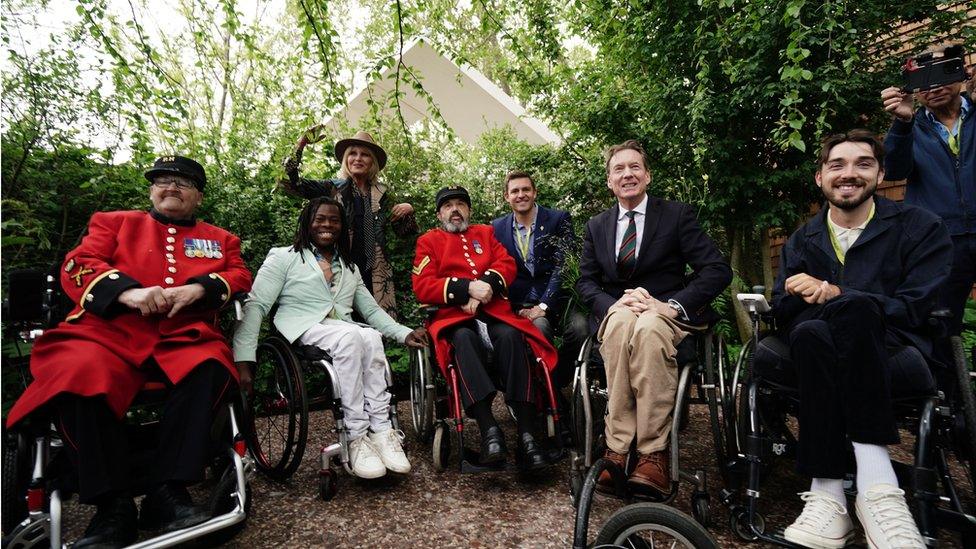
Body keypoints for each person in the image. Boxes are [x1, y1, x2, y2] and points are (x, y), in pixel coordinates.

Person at [5, 155, 253, 548]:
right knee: (75, 372)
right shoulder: (115, 222)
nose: (171, 187)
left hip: (182, 335)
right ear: (152, 190)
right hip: (107, 333)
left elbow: (239, 274)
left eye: (183, 182)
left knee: (211, 367)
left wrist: (200, 288)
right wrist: (129, 292)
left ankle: (169, 492)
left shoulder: (221, 238)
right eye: (163, 181)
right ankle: (111, 505)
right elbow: (79, 265)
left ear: (199, 196)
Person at [774, 130, 951, 549]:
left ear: (880, 173)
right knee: (816, 332)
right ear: (820, 177)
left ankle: (850, 490)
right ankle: (857, 490)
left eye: (862, 164)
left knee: (850, 312)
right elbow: (780, 310)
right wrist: (801, 293)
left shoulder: (919, 227)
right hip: (815, 347)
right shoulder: (803, 239)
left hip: (895, 349)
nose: (848, 174)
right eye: (837, 165)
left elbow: (918, 307)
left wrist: (839, 294)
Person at [576, 140, 731, 496]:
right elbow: (586, 280)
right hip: (619, 311)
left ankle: (651, 454)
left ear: (647, 176)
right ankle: (616, 450)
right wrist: (610, 305)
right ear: (609, 181)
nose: (627, 174)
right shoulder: (597, 226)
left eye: (634, 167)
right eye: (619, 169)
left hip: (665, 314)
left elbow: (717, 269)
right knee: (618, 328)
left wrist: (671, 305)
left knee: (647, 329)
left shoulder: (676, 215)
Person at [233, 196, 427, 479]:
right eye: (320, 219)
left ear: (342, 226)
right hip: (303, 327)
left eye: (334, 220)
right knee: (352, 337)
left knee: (370, 336)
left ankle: (383, 431)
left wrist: (404, 332)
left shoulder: (349, 266)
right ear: (307, 223)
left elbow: (371, 310)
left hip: (343, 329)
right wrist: (244, 358)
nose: (327, 225)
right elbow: (257, 305)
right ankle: (356, 435)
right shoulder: (283, 257)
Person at [412, 186, 558, 471]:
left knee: (513, 336)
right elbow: (422, 285)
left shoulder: (486, 233)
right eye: (448, 205)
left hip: (496, 315)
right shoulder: (429, 241)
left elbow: (506, 264)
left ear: (469, 210)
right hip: (455, 319)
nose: (455, 210)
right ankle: (489, 430)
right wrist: (466, 288)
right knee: (463, 339)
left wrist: (486, 287)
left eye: (461, 205)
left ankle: (528, 436)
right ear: (439, 213)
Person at [880, 47, 974, 340]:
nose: (933, 88)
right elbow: (894, 170)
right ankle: (950, 386)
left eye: (941, 76)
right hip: (939, 239)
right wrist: (903, 122)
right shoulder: (910, 127)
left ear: (963, 74)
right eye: (923, 80)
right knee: (940, 322)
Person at [282, 127, 417, 315]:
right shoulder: (333, 188)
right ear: (346, 159)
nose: (358, 158)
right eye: (353, 153)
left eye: (365, 155)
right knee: (340, 321)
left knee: (375, 324)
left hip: (374, 269)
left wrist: (408, 209)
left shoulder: (382, 194)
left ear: (373, 162)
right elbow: (294, 183)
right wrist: (301, 144)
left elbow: (405, 234)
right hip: (339, 265)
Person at [490, 170, 579, 385]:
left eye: (526, 189)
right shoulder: (496, 228)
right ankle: (547, 392)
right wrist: (515, 308)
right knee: (540, 328)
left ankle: (558, 379)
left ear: (535, 192)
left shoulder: (558, 219)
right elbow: (496, 269)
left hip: (559, 300)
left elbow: (564, 265)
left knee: (580, 329)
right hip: (520, 303)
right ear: (506, 196)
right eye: (515, 191)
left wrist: (545, 304)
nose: (521, 195)